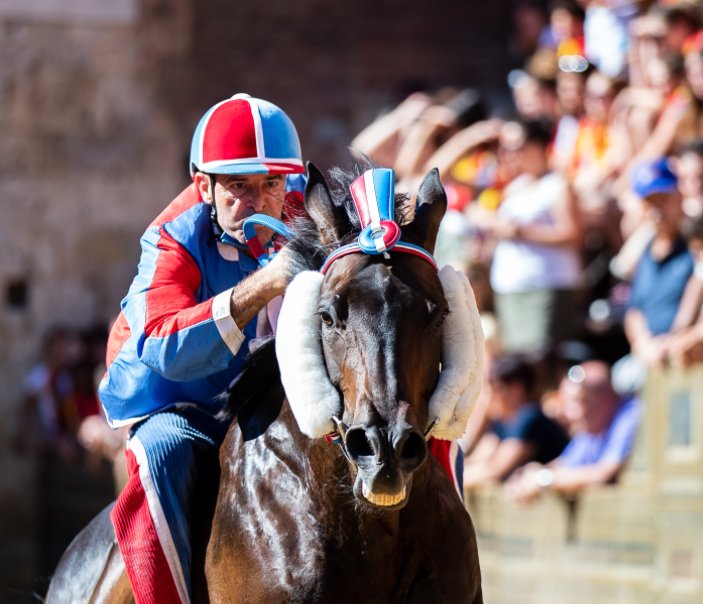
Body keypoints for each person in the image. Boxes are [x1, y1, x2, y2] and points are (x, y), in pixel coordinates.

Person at [98, 93, 307, 604]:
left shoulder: (303, 210)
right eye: (238, 186)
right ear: (204, 186)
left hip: (260, 395)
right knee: (165, 453)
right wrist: (263, 286)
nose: (258, 202)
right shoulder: (172, 235)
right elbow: (163, 346)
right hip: (174, 398)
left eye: (271, 185)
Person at [506, 360, 641, 504]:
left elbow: (604, 474)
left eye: (577, 402)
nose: (568, 414)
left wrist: (542, 479)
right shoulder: (590, 429)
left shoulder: (630, 415)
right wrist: (530, 474)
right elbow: (566, 464)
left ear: (604, 400)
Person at [624, 156, 693, 367]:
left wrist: (678, 341)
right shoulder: (646, 250)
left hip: (686, 354)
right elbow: (634, 310)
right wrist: (643, 344)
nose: (656, 210)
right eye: (649, 203)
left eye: (663, 199)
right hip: (650, 356)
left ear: (680, 196)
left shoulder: (695, 245)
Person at [463, 354, 570, 489]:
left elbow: (495, 470)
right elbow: (479, 460)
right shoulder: (500, 421)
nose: (490, 395)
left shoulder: (530, 417)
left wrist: (449, 483)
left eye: (496, 387)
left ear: (517, 388)